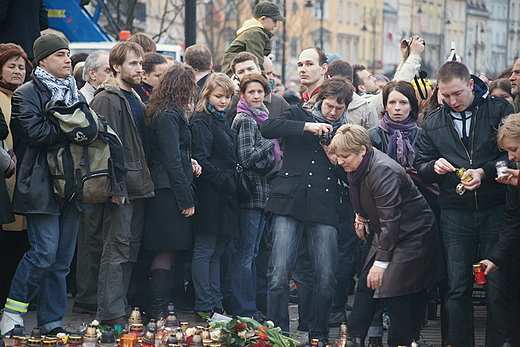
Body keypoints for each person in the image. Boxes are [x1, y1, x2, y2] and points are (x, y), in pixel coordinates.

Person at [416, 61, 514, 347]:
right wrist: (433, 166)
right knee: (457, 287)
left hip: (495, 206)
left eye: (457, 93)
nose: (452, 101)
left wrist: (483, 172)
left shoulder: (499, 109)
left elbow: (511, 154)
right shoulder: (433, 121)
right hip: (455, 212)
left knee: (497, 286)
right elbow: (419, 164)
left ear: (471, 84)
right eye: (445, 96)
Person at [328, 124, 443, 347]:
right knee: (366, 284)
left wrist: (381, 262)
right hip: (390, 231)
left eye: (345, 156)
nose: (340, 162)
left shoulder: (382, 170)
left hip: (412, 233)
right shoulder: (362, 165)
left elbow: (391, 218)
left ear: (362, 149)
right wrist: (360, 216)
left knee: (393, 290)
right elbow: (370, 201)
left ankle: (400, 341)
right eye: (338, 156)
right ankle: (351, 339)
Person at [0, 34, 82, 336]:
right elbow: (35, 133)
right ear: (43, 60)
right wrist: (72, 127)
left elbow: (90, 130)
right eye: (60, 54)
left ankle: (51, 322)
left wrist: (73, 128)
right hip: (40, 185)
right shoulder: (26, 93)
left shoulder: (76, 92)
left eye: (68, 54)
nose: (67, 59)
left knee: (61, 262)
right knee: (43, 253)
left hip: (72, 186)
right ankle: (12, 313)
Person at [261, 76, 354, 343]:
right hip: (288, 200)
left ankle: (318, 334)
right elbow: (268, 128)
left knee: (326, 277)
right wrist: (306, 126)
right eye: (329, 107)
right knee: (278, 274)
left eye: (339, 109)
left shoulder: (346, 131)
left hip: (325, 206)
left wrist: (335, 160)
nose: (333, 113)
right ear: (320, 100)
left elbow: (351, 173)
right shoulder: (299, 113)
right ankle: (278, 334)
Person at [90, 41, 154, 325]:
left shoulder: (135, 96)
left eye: (141, 64)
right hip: (121, 187)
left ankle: (121, 308)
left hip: (138, 185)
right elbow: (103, 147)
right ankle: (110, 314)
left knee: (129, 249)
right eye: (133, 64)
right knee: (116, 249)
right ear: (116, 67)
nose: (140, 69)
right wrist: (115, 187)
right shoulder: (107, 98)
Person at [142, 64, 201, 320]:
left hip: (169, 188)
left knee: (170, 250)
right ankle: (157, 312)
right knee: (166, 250)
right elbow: (170, 159)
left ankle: (160, 310)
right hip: (167, 191)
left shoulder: (168, 112)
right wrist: (185, 198)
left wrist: (190, 161)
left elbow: (177, 155)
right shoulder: (168, 115)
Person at [229, 74, 280, 318]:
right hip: (250, 195)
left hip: (261, 193)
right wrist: (269, 141)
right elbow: (246, 157)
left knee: (252, 254)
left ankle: (248, 307)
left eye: (260, 92)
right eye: (251, 92)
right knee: (245, 255)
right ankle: (244, 310)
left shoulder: (263, 117)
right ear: (243, 95)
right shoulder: (247, 119)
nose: (257, 96)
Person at [190, 73, 239, 317]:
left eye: (228, 97)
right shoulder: (202, 120)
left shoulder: (221, 120)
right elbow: (201, 159)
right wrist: (225, 180)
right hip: (210, 193)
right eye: (219, 96)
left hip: (224, 193)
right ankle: (204, 304)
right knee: (205, 250)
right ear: (207, 94)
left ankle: (215, 304)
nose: (224, 101)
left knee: (217, 252)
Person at [479, 114, 520, 347]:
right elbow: (513, 219)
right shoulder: (515, 169)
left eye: (514, 149)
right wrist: (496, 258)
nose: (510, 157)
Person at [353, 35, 425, 115]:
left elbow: (395, 82)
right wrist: (414, 55)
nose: (374, 79)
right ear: (361, 88)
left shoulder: (360, 101)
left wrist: (405, 58)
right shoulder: (365, 103)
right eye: (369, 78)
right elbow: (398, 85)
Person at [221, 1, 285, 77]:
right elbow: (256, 62)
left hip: (237, 73)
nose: (276, 25)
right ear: (263, 19)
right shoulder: (255, 33)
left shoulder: (255, 32)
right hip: (235, 76)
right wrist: (264, 84)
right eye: (274, 21)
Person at [226, 52, 290, 124]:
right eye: (241, 72)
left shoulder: (278, 102)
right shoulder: (230, 101)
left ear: (259, 70)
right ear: (235, 77)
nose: (247, 74)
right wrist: (233, 93)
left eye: (250, 69)